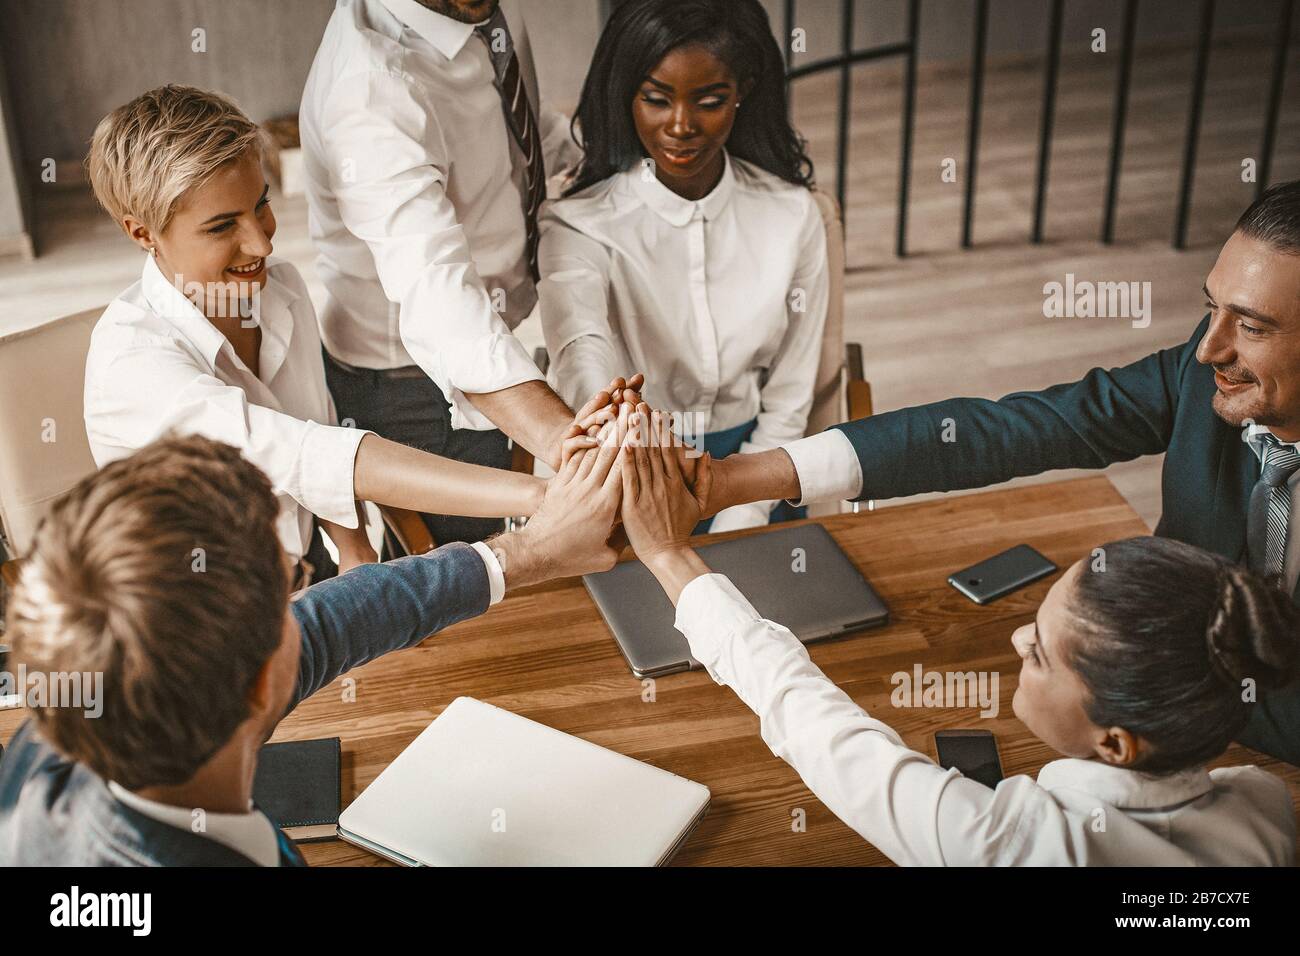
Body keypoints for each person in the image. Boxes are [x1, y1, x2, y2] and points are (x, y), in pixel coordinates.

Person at [695, 180, 1300, 765]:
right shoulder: (1209, 370)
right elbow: (1012, 430)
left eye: (1250, 326)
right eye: (1210, 308)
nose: (1207, 349)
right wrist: (737, 478)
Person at [615, 409, 1299, 865]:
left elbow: (818, 728)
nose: (1014, 645)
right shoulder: (1266, 809)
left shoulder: (1006, 843)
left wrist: (669, 555)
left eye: (1038, 654)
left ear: (1116, 743)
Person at [0, 430, 626, 866]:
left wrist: (532, 550)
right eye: (292, 587)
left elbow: (324, 625)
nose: (304, 602)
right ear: (262, 680)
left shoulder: (74, 714)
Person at [83, 85, 622, 582]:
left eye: (262, 205)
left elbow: (312, 419)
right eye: (223, 226)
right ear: (141, 233)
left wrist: (355, 550)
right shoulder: (131, 365)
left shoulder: (280, 291)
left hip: (301, 570)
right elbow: (304, 452)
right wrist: (545, 496)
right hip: (193, 613)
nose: (262, 245)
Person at [300, 0, 604, 546]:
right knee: (468, 586)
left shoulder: (481, 7)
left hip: (489, 327)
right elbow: (445, 311)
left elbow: (525, 125)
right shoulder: (370, 94)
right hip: (414, 387)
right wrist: (572, 445)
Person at [539, 0, 827, 533]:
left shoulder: (793, 215)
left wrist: (742, 510)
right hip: (624, 470)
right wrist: (631, 466)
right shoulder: (578, 224)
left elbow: (789, 397)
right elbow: (582, 352)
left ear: (744, 89)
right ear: (626, 94)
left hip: (760, 468)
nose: (680, 125)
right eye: (655, 98)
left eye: (710, 100)